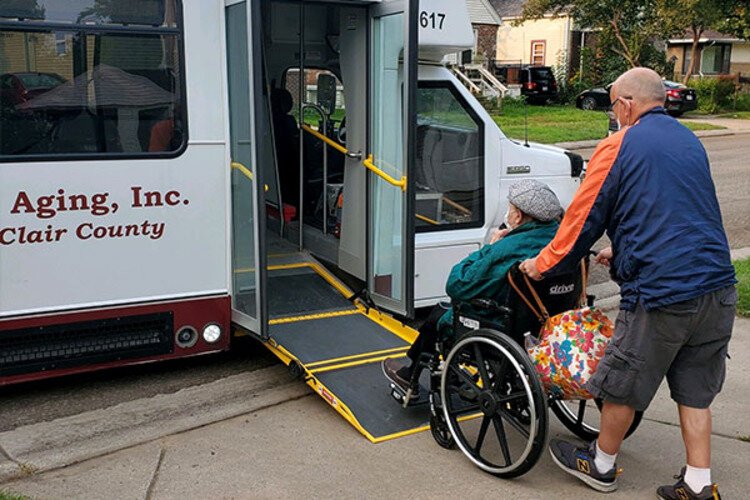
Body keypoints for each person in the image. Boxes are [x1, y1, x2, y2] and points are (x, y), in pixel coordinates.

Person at [519, 67, 737, 499]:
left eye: (614, 104)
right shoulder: (689, 140)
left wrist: (543, 264)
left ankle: (600, 464)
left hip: (662, 293)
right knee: (695, 388)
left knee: (622, 379)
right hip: (717, 286)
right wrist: (621, 249)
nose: (613, 113)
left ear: (626, 104)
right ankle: (698, 482)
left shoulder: (619, 144)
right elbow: (679, 209)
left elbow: (582, 218)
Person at [382, 179, 564, 396]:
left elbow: (458, 285)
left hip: (505, 327)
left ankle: (408, 375)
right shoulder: (562, 241)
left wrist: (490, 247)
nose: (508, 214)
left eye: (510, 209)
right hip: (550, 324)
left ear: (518, 216)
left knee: (439, 315)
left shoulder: (508, 248)